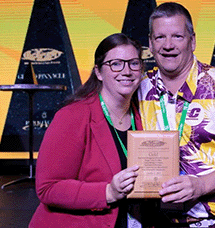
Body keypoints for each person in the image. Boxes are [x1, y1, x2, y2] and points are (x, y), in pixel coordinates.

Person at [138, 2, 215, 227]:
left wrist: (202, 185)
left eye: (177, 36)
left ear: (192, 41)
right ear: (150, 43)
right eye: (160, 38)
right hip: (159, 220)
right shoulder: (139, 89)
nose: (168, 45)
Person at [29, 33, 144, 228]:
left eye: (133, 63)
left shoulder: (144, 116)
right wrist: (108, 192)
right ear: (98, 72)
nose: (126, 71)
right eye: (116, 64)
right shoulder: (73, 116)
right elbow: (48, 188)